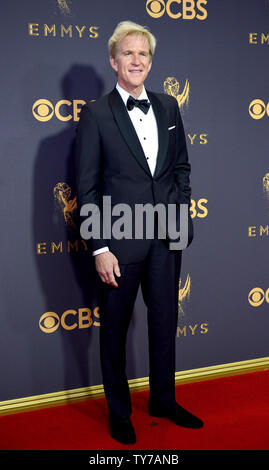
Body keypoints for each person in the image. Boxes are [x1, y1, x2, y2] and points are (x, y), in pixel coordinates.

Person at [76, 20, 203, 445]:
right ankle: (119, 412)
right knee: (114, 329)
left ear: (150, 62)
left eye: (143, 54)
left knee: (165, 324)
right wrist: (100, 246)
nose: (136, 60)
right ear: (114, 61)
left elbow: (181, 166)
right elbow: (87, 187)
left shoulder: (168, 106)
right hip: (119, 240)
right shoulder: (95, 114)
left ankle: (164, 399)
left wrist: (181, 212)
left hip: (167, 236)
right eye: (128, 53)